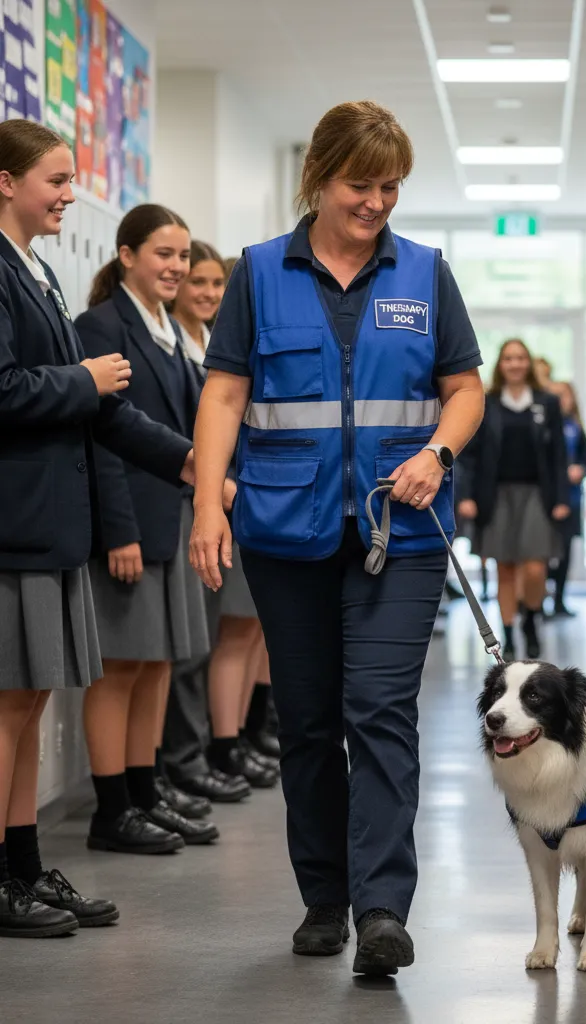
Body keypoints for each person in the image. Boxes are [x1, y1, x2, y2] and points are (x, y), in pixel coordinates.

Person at [190, 100, 484, 975]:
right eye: (361, 184)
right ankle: (325, 895)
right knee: (311, 722)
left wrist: (438, 449)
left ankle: (384, 907)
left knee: (382, 712)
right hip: (288, 527)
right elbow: (224, 396)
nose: (377, 203)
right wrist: (209, 504)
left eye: (391, 186)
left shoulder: (426, 273)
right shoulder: (256, 273)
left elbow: (464, 390)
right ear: (319, 178)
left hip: (403, 528)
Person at [0, 121, 199, 932]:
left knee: (28, 699)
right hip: (17, 523)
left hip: (49, 526)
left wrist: (188, 461)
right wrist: (78, 378)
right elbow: (8, 390)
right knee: (10, 708)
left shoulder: (36, 272)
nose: (68, 194)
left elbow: (101, 413)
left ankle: (24, 868)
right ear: (6, 182)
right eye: (55, 179)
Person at [77, 205, 220, 852]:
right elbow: (103, 436)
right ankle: (113, 810)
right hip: (133, 525)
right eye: (164, 254)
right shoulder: (103, 324)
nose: (177, 267)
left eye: (183, 255)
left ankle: (146, 791)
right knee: (120, 670)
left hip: (173, 517)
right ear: (127, 255)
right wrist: (120, 530)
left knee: (158, 662)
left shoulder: (166, 329)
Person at [171, 240, 277, 793]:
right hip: (216, 503)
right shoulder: (183, 347)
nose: (212, 294)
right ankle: (222, 745)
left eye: (218, 285)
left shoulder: (208, 342)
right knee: (225, 638)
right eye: (203, 283)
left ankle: (245, 735)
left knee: (252, 631)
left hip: (249, 501)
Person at [458, 338, 569, 660]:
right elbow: (470, 454)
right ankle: (507, 633)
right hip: (495, 495)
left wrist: (561, 497)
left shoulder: (547, 402)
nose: (515, 363)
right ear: (500, 364)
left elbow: (559, 454)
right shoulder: (487, 401)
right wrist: (466, 495)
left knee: (535, 567)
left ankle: (531, 619)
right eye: (509, 358)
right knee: (504, 570)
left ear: (529, 362)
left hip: (537, 494)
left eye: (521, 357)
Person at [547, 380, 586, 617]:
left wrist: (581, 470)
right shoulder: (544, 426)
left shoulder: (576, 426)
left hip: (573, 498)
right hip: (549, 499)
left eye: (564, 396)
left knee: (565, 550)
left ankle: (559, 600)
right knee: (545, 550)